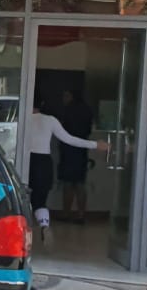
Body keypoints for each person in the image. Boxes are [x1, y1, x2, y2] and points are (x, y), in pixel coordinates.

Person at [26, 98, 106, 237]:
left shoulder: (21, 119)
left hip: (24, 159)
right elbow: (69, 139)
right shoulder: (50, 120)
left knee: (21, 197)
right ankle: (44, 225)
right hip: (43, 162)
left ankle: (22, 230)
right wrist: (95, 145)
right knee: (40, 201)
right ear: (42, 104)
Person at [55, 88, 94, 223]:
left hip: (69, 150)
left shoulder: (68, 111)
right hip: (81, 150)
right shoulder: (86, 110)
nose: (63, 99)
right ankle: (81, 214)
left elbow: (63, 131)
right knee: (80, 183)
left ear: (72, 96)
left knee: (68, 184)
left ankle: (66, 213)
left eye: (66, 95)